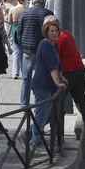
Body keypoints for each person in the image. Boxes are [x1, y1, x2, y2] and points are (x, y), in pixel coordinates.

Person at [51, 16, 85, 144]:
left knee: (57, 103)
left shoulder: (57, 39)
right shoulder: (67, 34)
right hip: (80, 70)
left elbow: (55, 59)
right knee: (80, 102)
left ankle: (57, 136)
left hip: (68, 73)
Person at [31, 18, 68, 146]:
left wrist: (61, 77)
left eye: (56, 31)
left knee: (46, 114)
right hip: (42, 85)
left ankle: (27, 134)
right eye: (51, 31)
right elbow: (51, 66)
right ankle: (36, 141)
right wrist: (58, 83)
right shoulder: (45, 44)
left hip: (48, 85)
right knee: (41, 114)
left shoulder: (54, 45)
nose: (54, 33)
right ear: (46, 32)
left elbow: (57, 65)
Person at [16, 0, 54, 108]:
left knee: (26, 79)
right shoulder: (47, 13)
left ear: (32, 2)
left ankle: (24, 104)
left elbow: (19, 30)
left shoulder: (25, 12)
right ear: (43, 2)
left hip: (27, 49)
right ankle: (39, 103)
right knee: (41, 77)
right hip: (42, 50)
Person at [7, 0, 26, 78]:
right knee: (23, 52)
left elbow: (10, 21)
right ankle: (24, 71)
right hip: (24, 30)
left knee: (16, 52)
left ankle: (15, 72)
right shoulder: (26, 9)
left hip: (14, 29)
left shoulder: (12, 9)